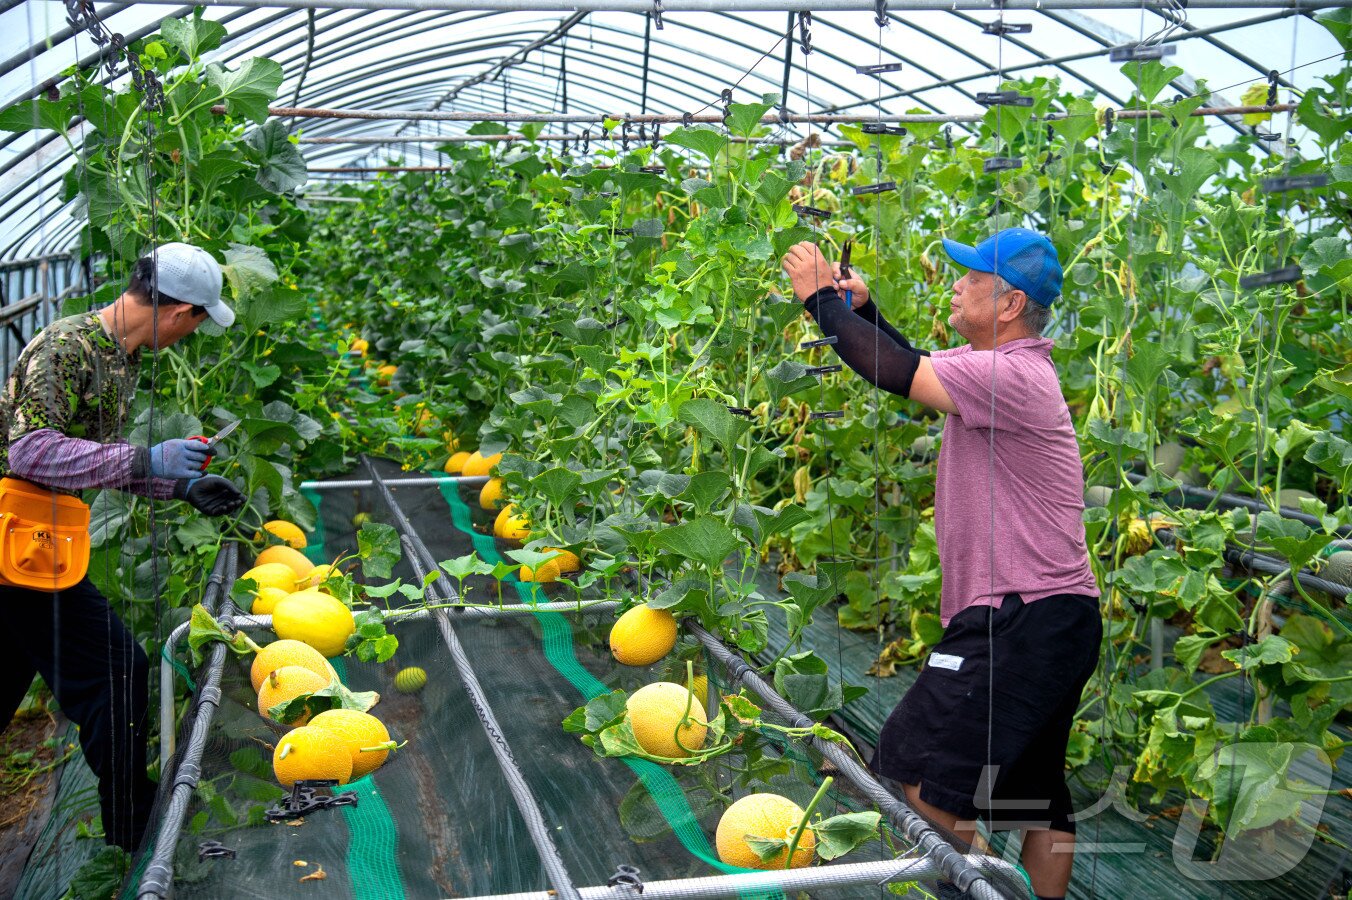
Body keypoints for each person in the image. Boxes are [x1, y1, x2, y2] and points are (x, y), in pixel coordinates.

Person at [782, 228, 1101, 900]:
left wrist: (819, 303)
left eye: (970, 277)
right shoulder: (1003, 369)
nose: (954, 284)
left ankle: (994, 895)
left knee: (917, 775)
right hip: (1050, 617)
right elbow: (907, 359)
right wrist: (861, 313)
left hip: (1020, 617)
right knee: (1030, 800)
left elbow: (890, 371)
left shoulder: (1011, 374)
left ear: (1009, 303)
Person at [0, 242, 247, 851]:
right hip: (15, 543)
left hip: (34, 543)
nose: (189, 338)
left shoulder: (119, 358)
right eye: (195, 324)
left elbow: (93, 465)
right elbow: (30, 452)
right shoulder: (69, 347)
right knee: (120, 674)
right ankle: (133, 839)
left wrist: (179, 484)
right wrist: (145, 456)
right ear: (178, 313)